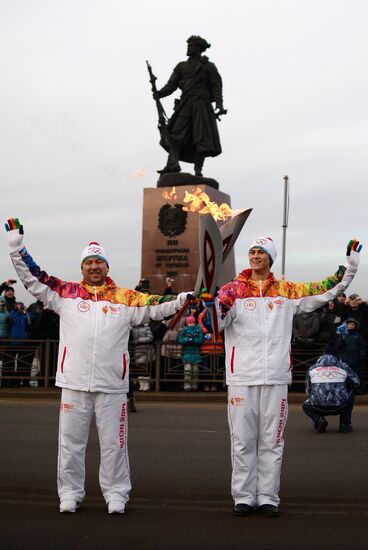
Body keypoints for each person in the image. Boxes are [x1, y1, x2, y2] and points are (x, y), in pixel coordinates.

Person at [5, 217, 189, 514]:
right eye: (89, 262)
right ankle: (70, 493)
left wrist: (181, 300)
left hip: (112, 385)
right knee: (70, 444)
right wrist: (17, 249)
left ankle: (116, 493)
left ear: (107, 267)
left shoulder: (125, 299)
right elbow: (34, 278)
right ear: (82, 268)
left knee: (114, 444)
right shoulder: (64, 294)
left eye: (99, 262)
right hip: (74, 382)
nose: (94, 267)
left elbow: (157, 304)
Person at [212, 236, 362, 517]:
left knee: (272, 440)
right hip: (241, 377)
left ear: (270, 258)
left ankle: (268, 496)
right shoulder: (232, 291)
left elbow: (326, 288)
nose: (256, 256)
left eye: (261, 252)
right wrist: (212, 305)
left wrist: (349, 269)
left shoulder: (287, 292)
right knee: (243, 440)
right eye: (252, 251)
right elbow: (216, 323)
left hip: (276, 378)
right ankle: (244, 495)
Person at [157, 35, 226, 177]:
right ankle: (172, 165)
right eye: (188, 45)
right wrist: (159, 93)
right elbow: (171, 85)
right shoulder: (181, 66)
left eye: (191, 46)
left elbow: (216, 86)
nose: (188, 48)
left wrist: (219, 104)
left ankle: (198, 170)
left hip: (201, 105)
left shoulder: (208, 67)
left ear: (198, 48)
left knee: (201, 138)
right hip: (185, 103)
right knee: (174, 135)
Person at [302, 354, 360, 433]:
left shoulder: (312, 368)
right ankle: (345, 424)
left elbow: (308, 389)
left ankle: (318, 420)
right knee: (351, 391)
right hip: (341, 406)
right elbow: (356, 383)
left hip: (318, 407)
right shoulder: (343, 366)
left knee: (305, 406)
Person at [333, 318, 366, 393]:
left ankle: (358, 390)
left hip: (356, 359)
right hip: (345, 359)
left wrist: (362, 356)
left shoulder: (358, 336)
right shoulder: (342, 335)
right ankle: (346, 390)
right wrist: (342, 339)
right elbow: (338, 346)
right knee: (345, 375)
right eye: (348, 324)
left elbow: (362, 346)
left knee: (357, 374)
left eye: (352, 324)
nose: (350, 326)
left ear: (355, 326)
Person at [177, 315, 204, 391]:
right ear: (187, 323)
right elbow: (180, 340)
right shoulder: (184, 330)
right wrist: (187, 339)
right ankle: (187, 385)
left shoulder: (198, 330)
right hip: (187, 353)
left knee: (195, 371)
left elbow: (200, 340)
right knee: (187, 370)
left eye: (193, 322)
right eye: (190, 322)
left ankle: (194, 385)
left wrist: (194, 340)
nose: (192, 324)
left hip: (196, 354)